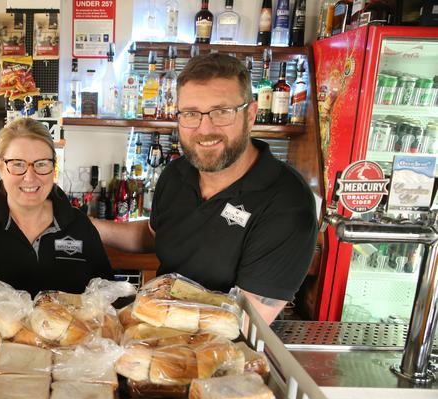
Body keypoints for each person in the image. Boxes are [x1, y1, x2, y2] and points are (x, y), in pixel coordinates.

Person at [92, 53, 317, 324]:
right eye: (191, 114)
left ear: (251, 115)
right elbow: (154, 235)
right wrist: (87, 225)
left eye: (221, 112)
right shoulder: (177, 173)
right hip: (157, 336)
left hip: (223, 358)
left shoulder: (287, 202)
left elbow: (241, 322)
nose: (205, 128)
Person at [0, 117, 113, 315]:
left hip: (70, 345)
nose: (30, 177)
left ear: (53, 167)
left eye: (41, 164)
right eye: (17, 164)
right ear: (0, 167)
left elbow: (108, 298)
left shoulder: (79, 225)